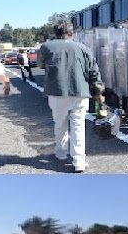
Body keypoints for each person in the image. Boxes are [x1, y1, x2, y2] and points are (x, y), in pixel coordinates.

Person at [38, 20, 105, 173]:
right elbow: (94, 73)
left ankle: (61, 153)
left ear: (55, 33)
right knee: (78, 126)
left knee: (60, 123)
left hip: (57, 91)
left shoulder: (46, 47)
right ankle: (79, 161)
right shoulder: (84, 49)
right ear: (71, 33)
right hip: (80, 92)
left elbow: (40, 65)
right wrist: (98, 93)